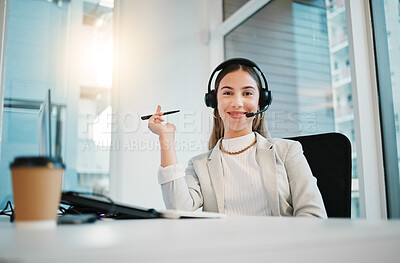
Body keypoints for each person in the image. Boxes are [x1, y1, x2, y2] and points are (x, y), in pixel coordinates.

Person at [148, 58, 327, 218]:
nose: (237, 103)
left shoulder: (288, 151)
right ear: (214, 102)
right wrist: (166, 138)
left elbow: (313, 215)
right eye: (227, 93)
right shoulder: (199, 165)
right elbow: (178, 208)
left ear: (261, 102)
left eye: (247, 93)